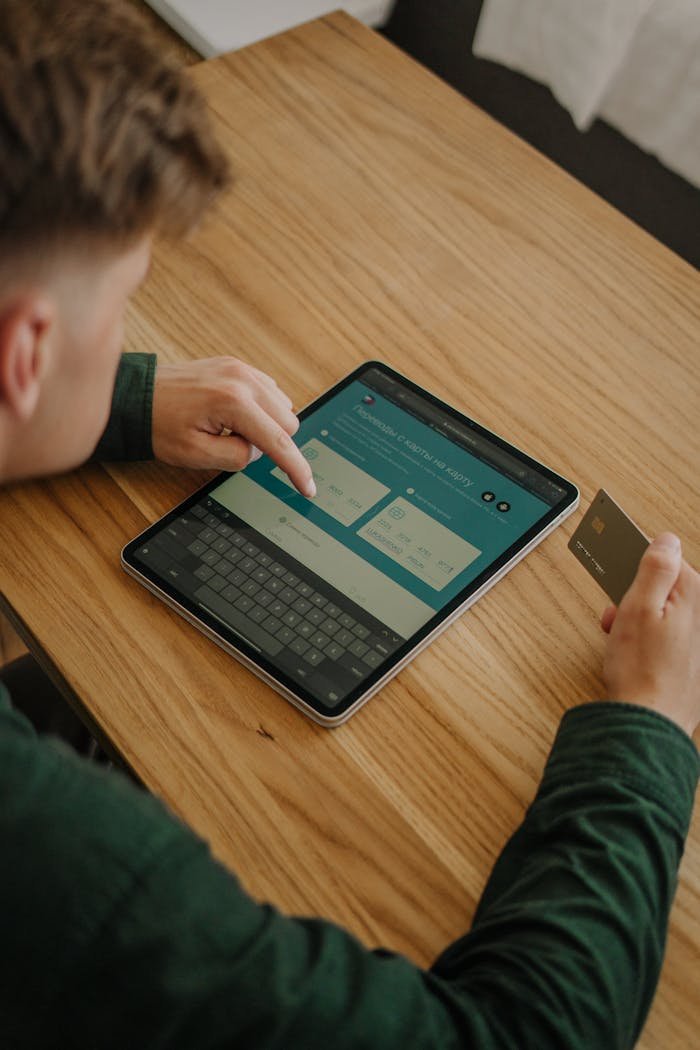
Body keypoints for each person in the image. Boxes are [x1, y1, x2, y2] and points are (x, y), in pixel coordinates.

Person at [0, 2, 698, 1048]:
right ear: (27, 352)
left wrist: (125, 398)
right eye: (122, 304)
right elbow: (518, 1037)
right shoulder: (54, 856)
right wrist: (646, 733)